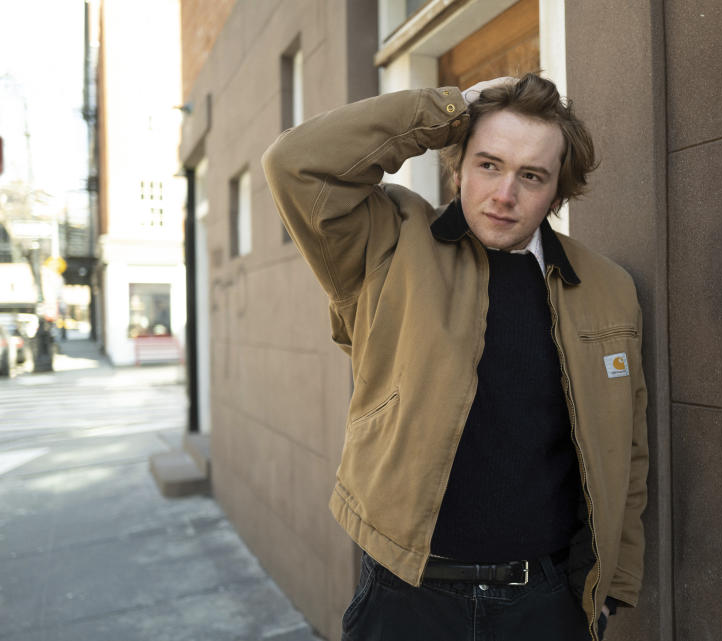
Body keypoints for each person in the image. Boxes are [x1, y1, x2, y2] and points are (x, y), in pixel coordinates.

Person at [262, 73, 649, 641]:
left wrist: (615, 581)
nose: (504, 195)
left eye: (532, 176)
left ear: (557, 193)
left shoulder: (606, 287)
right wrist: (446, 108)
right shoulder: (389, 243)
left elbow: (628, 446)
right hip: (408, 597)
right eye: (489, 164)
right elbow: (295, 164)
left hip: (543, 602)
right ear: (458, 166)